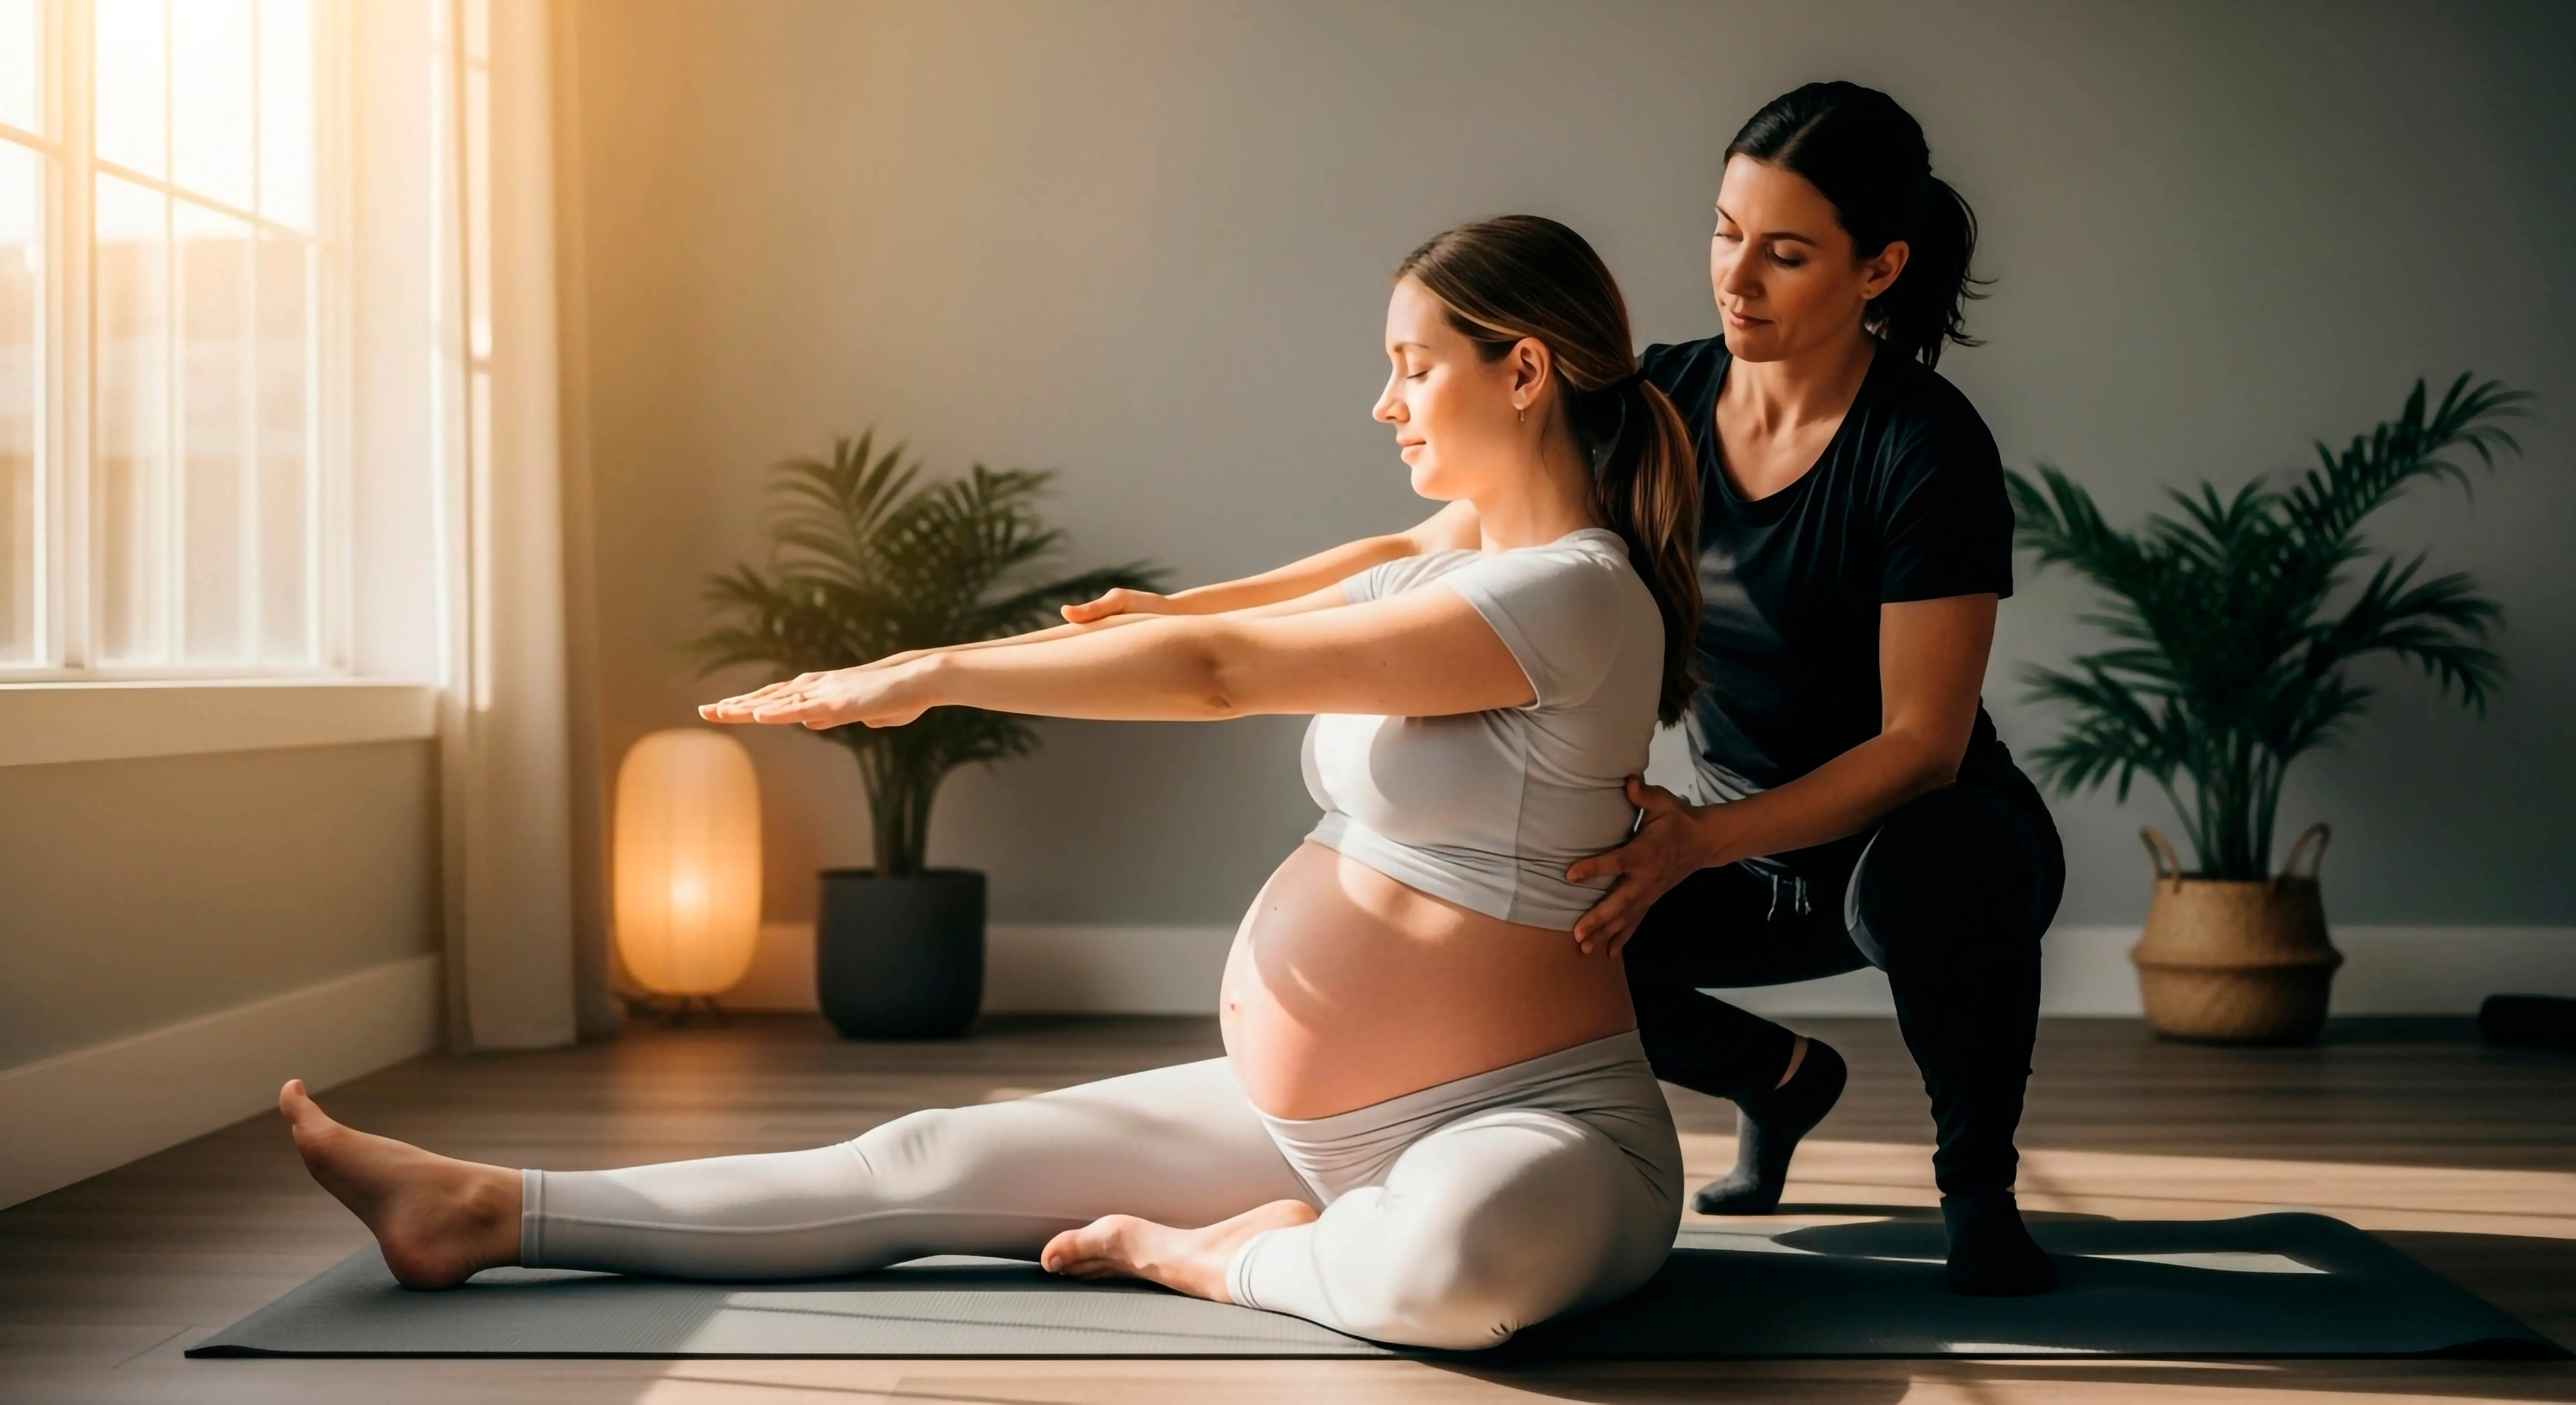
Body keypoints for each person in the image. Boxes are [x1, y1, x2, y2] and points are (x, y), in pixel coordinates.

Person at [275, 215, 1706, 1350]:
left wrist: (928, 671)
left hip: (1529, 1131)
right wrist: (1157, 613)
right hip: (1303, 1122)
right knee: (921, 1158)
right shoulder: (1453, 550)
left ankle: (1215, 1256)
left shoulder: (1576, 597)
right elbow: (1278, 597)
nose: (1383, 399)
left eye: (1413, 362)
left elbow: (1223, 672)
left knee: (1451, 1271)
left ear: (1524, 370)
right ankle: (480, 1210)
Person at [1062, 82, 2066, 1297]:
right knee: (1555, 908)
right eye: (1724, 233)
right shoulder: (1663, 399)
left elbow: (1921, 744)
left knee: (1935, 873)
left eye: (1786, 253)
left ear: (1879, 268)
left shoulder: (1926, 446)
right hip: (1736, 841)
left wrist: (1696, 843)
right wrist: (1191, 611)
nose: (1736, 279)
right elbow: (1421, 550)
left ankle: (1979, 1195)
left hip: (1917, 830)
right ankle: (1780, 1078)